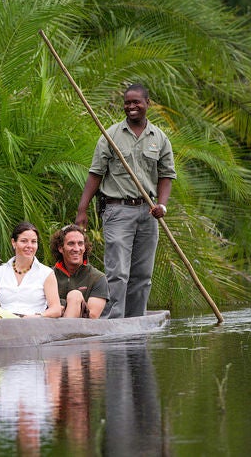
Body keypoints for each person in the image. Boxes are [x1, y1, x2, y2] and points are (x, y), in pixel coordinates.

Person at [75, 83, 176, 318]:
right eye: (127, 103)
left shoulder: (159, 138)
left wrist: (162, 205)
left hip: (149, 212)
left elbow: (166, 175)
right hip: (117, 211)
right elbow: (95, 173)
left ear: (147, 103)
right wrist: (82, 210)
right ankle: (114, 322)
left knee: (143, 274)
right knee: (118, 272)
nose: (131, 107)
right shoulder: (110, 135)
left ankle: (135, 322)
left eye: (136, 102)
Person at [0, 221, 62, 319]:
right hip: (3, 324)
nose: (29, 245)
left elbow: (56, 309)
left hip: (33, 325)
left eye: (33, 241)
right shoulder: (0, 272)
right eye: (24, 241)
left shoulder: (46, 273)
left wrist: (38, 316)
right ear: (13, 242)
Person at [49, 224, 109, 318]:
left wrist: (65, 306)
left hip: (83, 330)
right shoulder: (47, 275)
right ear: (60, 248)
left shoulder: (97, 278)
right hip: (48, 327)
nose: (76, 249)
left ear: (85, 247)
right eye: (71, 243)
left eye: (80, 244)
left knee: (75, 296)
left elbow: (92, 317)